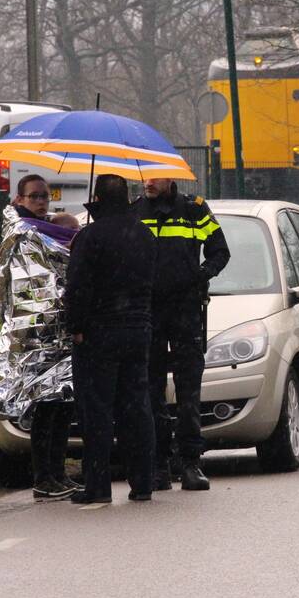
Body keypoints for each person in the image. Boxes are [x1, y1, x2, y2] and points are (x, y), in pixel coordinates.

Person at [64, 174, 157, 504]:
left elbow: (76, 287)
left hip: (98, 334)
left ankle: (98, 486)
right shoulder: (145, 235)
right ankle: (143, 482)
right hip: (138, 331)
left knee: (97, 411)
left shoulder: (89, 237)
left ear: (97, 199)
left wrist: (75, 326)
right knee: (137, 408)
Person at [135, 178, 229, 491]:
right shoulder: (136, 212)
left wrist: (198, 277)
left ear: (170, 179)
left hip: (185, 312)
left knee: (189, 390)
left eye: (155, 176)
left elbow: (220, 251)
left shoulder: (193, 210)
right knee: (151, 389)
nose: (148, 182)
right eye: (144, 176)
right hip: (149, 312)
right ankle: (159, 464)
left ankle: (190, 463)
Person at [6, 175, 79, 500]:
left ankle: (57, 473)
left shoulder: (52, 229)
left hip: (59, 333)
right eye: (34, 196)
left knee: (62, 404)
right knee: (44, 407)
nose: (40, 201)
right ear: (19, 199)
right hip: (36, 335)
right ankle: (43, 476)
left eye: (45, 197)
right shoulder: (22, 233)